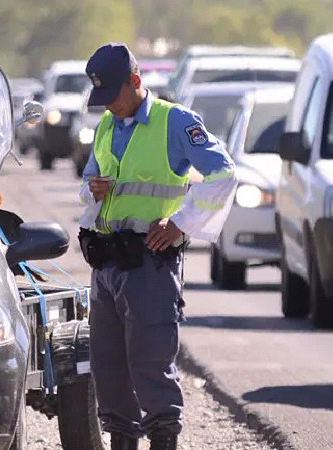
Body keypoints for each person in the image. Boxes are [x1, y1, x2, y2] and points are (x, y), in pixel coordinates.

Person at [79, 43, 238, 450]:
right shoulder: (106, 126)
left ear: (135, 81)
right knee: (109, 370)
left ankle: (164, 440)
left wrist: (182, 224)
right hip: (107, 263)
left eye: (113, 95)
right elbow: (89, 183)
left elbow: (222, 174)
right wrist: (92, 191)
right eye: (102, 98)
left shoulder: (175, 122)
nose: (109, 106)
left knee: (150, 364)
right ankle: (122, 441)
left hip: (149, 264)